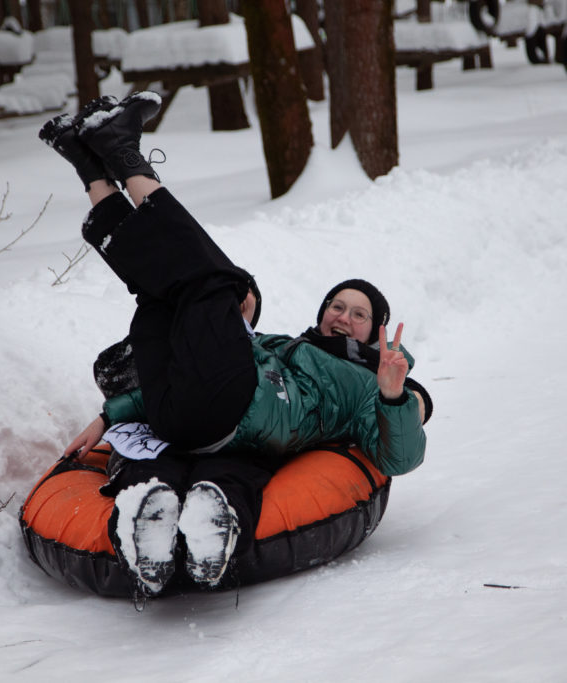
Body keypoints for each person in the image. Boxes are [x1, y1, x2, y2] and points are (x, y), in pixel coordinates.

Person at [39, 93, 428, 596]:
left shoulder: (367, 384)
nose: (344, 317)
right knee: (157, 292)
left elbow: (401, 458)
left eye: (359, 314)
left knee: (219, 281)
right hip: (177, 413)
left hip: (230, 413)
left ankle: (117, 158)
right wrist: (108, 416)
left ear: (375, 332)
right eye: (337, 305)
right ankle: (93, 167)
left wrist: (396, 396)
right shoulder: (281, 345)